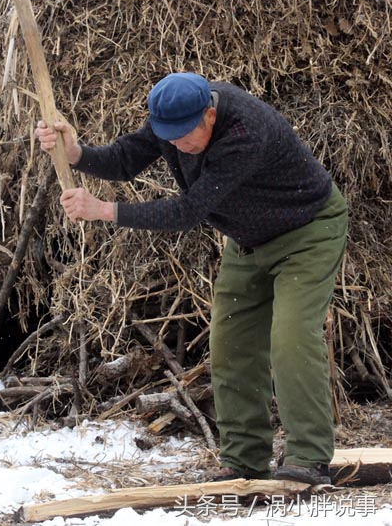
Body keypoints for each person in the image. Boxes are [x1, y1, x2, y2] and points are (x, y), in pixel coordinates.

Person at [35, 72, 347, 485]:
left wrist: (106, 211)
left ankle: (308, 459)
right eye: (170, 137)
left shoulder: (246, 130)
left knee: (290, 338)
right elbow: (126, 159)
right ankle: (245, 460)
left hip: (308, 231)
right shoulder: (172, 116)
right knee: (230, 342)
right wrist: (77, 154)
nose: (178, 145)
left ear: (210, 115)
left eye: (186, 136)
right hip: (249, 239)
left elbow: (188, 212)